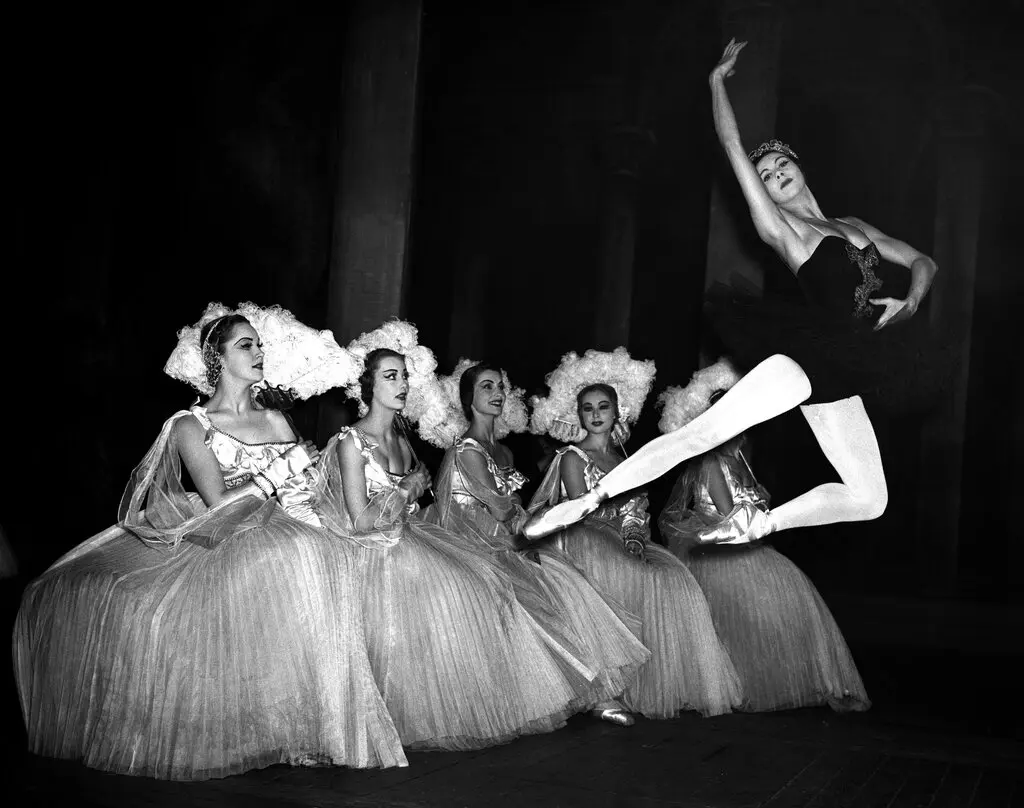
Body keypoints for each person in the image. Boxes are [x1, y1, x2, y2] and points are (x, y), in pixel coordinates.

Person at [525, 38, 943, 546]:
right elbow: (731, 145)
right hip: (807, 359)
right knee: (704, 434)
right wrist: (716, 82)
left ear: (799, 165)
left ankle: (758, 523)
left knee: (870, 499)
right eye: (765, 175)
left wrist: (911, 302)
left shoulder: (853, 225)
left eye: (781, 165)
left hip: (848, 370)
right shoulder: (784, 231)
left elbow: (924, 261)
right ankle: (583, 502)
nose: (775, 174)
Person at [14, 305, 407, 780]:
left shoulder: (277, 419)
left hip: (286, 521)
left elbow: (302, 492)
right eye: (246, 345)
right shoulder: (190, 425)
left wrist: (331, 519)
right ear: (218, 359)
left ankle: (312, 724)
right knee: (292, 555)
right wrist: (280, 470)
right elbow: (218, 504)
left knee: (332, 551)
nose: (259, 352)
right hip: (225, 528)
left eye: (260, 344)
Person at [314, 326, 609, 751]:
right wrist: (407, 491)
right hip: (374, 547)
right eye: (391, 376)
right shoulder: (352, 441)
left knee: (485, 582)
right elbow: (360, 521)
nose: (402, 384)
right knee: (468, 584)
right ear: (368, 385)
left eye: (404, 376)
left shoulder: (401, 440)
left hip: (412, 535)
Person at [426, 359, 651, 726]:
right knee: (541, 587)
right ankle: (585, 693)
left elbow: (513, 510)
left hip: (506, 537)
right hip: (477, 542)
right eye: (487, 386)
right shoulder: (467, 450)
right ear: (468, 398)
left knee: (567, 581)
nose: (498, 393)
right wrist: (537, 528)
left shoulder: (503, 451)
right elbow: (502, 510)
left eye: (500, 386)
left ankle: (597, 692)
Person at [526, 350, 743, 718]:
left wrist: (634, 533)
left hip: (621, 536)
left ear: (617, 412)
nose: (596, 414)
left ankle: (666, 683)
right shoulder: (572, 457)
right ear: (579, 414)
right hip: (585, 537)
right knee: (629, 572)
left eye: (603, 407)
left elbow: (637, 507)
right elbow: (583, 510)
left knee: (674, 578)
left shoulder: (625, 459)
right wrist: (624, 528)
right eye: (588, 408)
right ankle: (604, 691)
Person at [657, 361, 870, 712]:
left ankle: (814, 682)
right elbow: (730, 517)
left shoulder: (741, 457)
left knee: (793, 592)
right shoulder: (711, 463)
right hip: (719, 547)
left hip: (747, 542)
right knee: (757, 605)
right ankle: (743, 684)